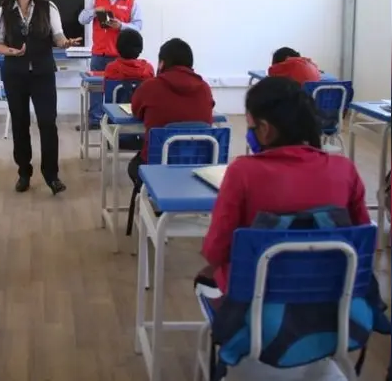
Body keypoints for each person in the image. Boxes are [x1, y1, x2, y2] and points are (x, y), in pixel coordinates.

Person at [198, 76, 371, 294]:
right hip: (332, 301)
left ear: (265, 129)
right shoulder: (345, 170)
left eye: (251, 125)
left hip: (257, 303)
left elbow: (216, 251)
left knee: (208, 276)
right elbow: (363, 238)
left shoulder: (241, 173)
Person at [0, 0, 81, 194]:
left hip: (42, 73)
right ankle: (24, 171)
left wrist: (66, 43)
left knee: (48, 123)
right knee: (20, 123)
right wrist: (12, 52)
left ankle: (52, 176)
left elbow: (58, 36)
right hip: (15, 74)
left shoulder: (47, 6)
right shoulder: (3, 11)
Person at [124, 38, 215, 233]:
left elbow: (136, 111)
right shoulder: (205, 88)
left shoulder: (151, 86)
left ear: (162, 62)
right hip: (200, 166)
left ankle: (153, 210)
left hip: (157, 166)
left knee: (134, 167)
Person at [77, 0, 143, 128]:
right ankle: (95, 120)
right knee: (96, 89)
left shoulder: (132, 3)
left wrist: (121, 25)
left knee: (121, 90)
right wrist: (94, 12)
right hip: (99, 52)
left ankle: (118, 122)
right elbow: (82, 19)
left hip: (121, 55)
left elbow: (138, 26)